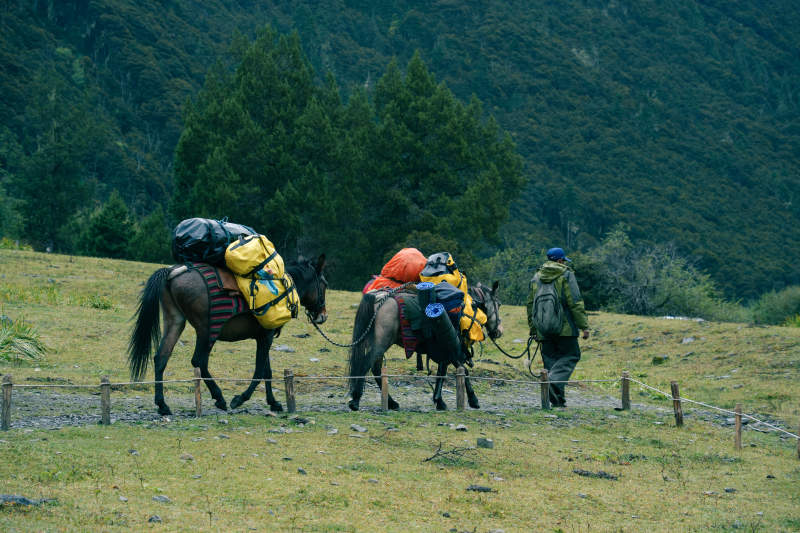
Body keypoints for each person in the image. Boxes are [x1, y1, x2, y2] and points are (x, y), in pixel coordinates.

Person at [526, 247, 589, 407]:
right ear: (560, 260)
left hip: (543, 330)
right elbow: (575, 302)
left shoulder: (536, 277)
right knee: (572, 355)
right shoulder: (566, 274)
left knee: (551, 363)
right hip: (565, 328)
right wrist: (584, 326)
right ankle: (552, 383)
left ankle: (557, 401)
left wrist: (534, 329)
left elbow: (530, 305)